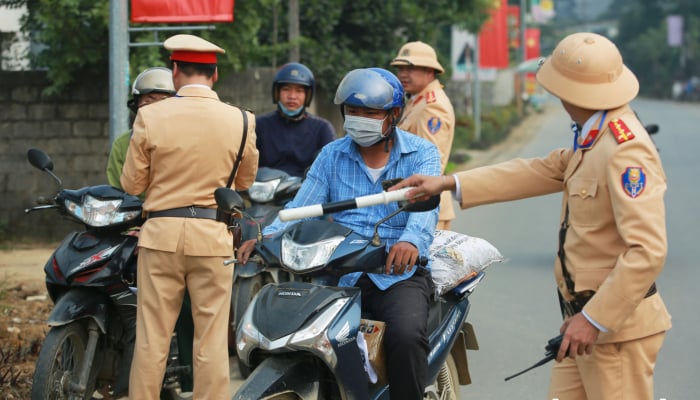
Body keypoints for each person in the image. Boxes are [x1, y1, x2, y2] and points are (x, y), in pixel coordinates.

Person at [391, 32, 672, 400]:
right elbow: (536, 170)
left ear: (574, 91)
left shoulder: (624, 149)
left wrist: (594, 319)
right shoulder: (593, 134)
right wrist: (447, 183)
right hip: (583, 324)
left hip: (613, 330)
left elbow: (647, 251)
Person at [238, 67, 441, 399]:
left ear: (393, 115)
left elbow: (425, 210)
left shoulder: (422, 154)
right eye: (353, 111)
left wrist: (410, 241)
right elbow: (301, 207)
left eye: (371, 112)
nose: (360, 119)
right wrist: (264, 237)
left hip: (396, 274)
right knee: (307, 340)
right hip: (338, 274)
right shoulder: (331, 155)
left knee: (405, 337)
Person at [121, 33, 259, 400]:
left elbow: (132, 183)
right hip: (212, 238)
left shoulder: (149, 116)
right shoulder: (242, 120)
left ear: (175, 70)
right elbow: (245, 181)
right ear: (214, 75)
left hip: (161, 235)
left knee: (152, 337)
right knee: (211, 339)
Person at [103, 66, 197, 396]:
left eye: (159, 99)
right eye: (145, 100)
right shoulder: (123, 144)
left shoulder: (187, 141)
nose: (150, 106)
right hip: (129, 231)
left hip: (170, 231)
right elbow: (120, 192)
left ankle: (187, 380)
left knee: (186, 303)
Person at [390, 41, 456, 230]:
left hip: (423, 206)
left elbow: (431, 166)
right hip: (412, 202)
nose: (403, 74)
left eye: (410, 68)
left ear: (429, 71)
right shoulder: (416, 100)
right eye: (400, 68)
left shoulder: (432, 106)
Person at [255, 62, 336, 177]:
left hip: (306, 190)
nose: (292, 96)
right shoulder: (259, 125)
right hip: (265, 191)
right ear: (277, 92)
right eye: (286, 89)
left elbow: (331, 166)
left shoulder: (322, 128)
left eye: (299, 91)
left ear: (308, 95)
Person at [106, 67, 176, 190]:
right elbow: (118, 190)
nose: (156, 107)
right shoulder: (123, 144)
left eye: (165, 101)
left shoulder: (188, 137)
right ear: (138, 104)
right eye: (150, 99)